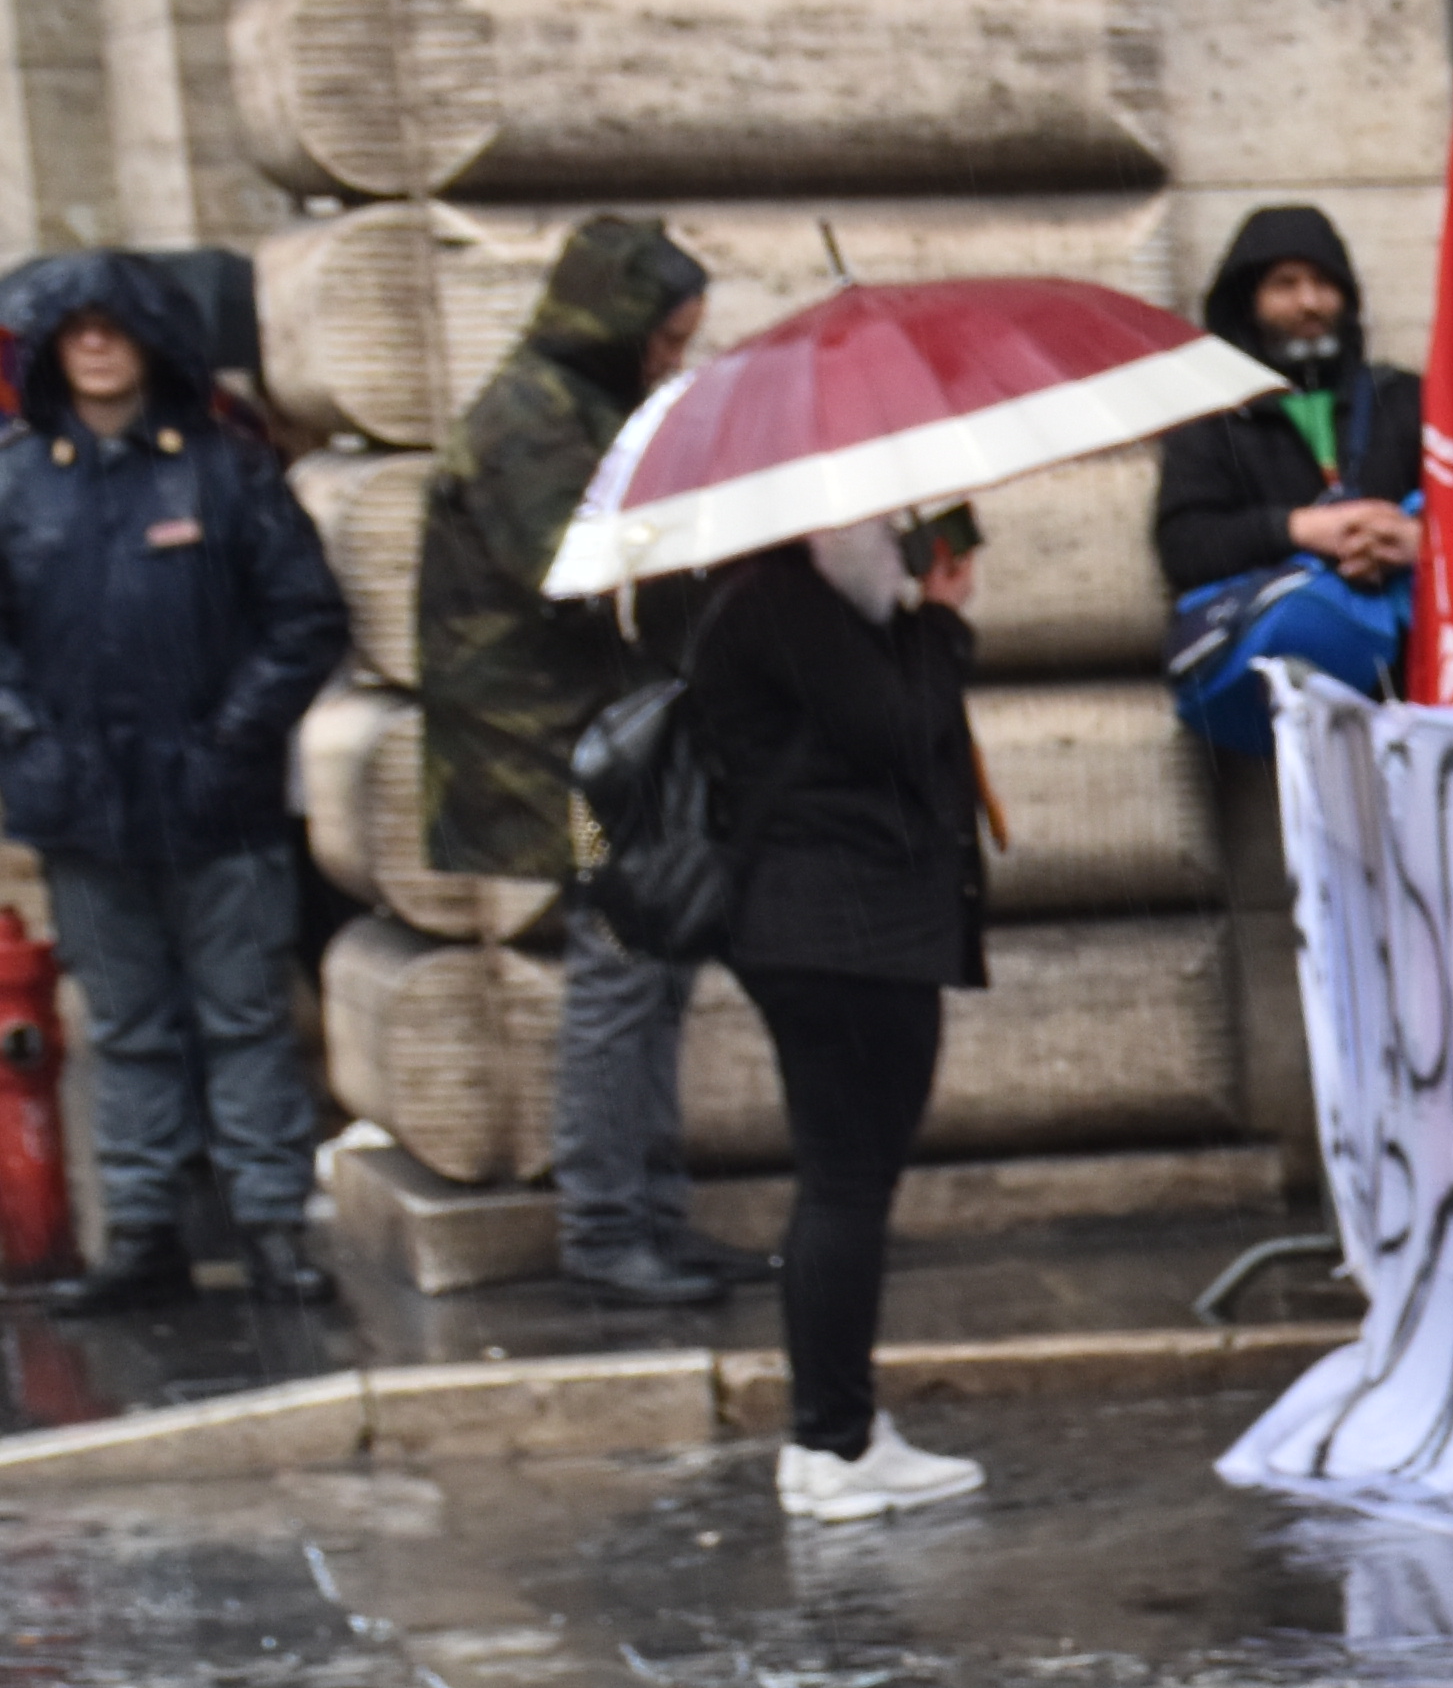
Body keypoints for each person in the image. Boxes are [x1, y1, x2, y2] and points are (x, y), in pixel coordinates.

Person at [0, 258, 348, 1311]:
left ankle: (272, 1225)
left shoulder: (224, 472)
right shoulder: (16, 479)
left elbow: (305, 618)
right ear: (53, 349)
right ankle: (141, 1231)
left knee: (245, 1018)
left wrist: (234, 738)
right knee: (126, 1024)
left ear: (149, 343)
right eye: (77, 331)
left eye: (115, 328)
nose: (96, 346)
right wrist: (29, 741)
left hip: (218, 806)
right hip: (84, 812)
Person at [420, 216, 740, 1310]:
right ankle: (606, 1228)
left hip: (607, 744)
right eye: (666, 338)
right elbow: (580, 571)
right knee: (617, 981)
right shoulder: (529, 419)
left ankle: (655, 1214)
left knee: (651, 976)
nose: (675, 360)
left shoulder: (589, 405)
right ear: (615, 324)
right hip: (556, 761)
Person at [694, 515, 992, 1520]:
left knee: (845, 1180)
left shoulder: (794, 602)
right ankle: (833, 1442)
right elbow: (902, 730)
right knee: (845, 1182)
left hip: (840, 930)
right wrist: (942, 625)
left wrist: (917, 618)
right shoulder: (782, 604)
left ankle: (836, 1431)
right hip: (838, 936)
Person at [1153, 207, 1418, 603]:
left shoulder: (1404, 398)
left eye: (1324, 282)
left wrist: (1420, 542)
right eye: (1285, 285)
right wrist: (1297, 530)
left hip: (1409, 650)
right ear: (1248, 302)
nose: (1309, 302)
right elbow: (1185, 547)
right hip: (1275, 653)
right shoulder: (1211, 416)